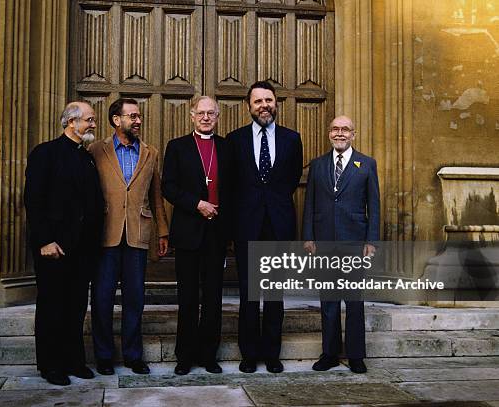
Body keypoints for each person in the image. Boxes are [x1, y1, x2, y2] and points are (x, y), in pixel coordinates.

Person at [24, 101, 104, 386]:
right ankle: (50, 365)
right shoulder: (45, 153)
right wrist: (45, 240)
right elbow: (34, 200)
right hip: (54, 249)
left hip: (82, 250)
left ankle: (74, 360)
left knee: (75, 307)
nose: (94, 124)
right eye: (90, 120)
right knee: (52, 307)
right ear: (72, 122)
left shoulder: (86, 157)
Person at [88, 98, 169, 375]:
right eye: (132, 116)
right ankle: (104, 356)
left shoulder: (150, 153)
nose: (138, 121)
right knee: (102, 298)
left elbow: (156, 195)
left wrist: (163, 230)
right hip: (104, 235)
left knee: (135, 299)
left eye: (139, 116)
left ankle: (134, 356)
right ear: (116, 120)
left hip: (138, 234)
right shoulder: (96, 150)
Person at [227, 81, 303, 373]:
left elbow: (292, 178)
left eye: (268, 100)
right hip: (247, 225)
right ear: (249, 106)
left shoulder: (291, 139)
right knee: (248, 294)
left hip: (279, 225)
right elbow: (232, 185)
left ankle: (272, 353)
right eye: (257, 101)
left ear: (276, 103)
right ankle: (248, 354)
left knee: (274, 294)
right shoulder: (235, 140)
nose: (264, 106)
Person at [302, 115, 380, 374]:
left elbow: (374, 205)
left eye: (345, 129)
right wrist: (309, 236)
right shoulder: (318, 164)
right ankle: (330, 354)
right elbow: (309, 204)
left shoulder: (367, 165)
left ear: (353, 134)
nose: (340, 133)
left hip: (354, 242)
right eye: (335, 129)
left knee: (354, 301)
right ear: (329, 134)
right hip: (324, 242)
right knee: (329, 301)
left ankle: (356, 355)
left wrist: (371, 241)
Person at [161, 96, 233, 375]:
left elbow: (235, 189)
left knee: (213, 298)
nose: (205, 117)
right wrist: (197, 204)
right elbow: (168, 186)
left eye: (211, 113)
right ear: (191, 116)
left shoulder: (227, 147)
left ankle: (208, 354)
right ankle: (185, 356)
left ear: (217, 116)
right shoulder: (177, 147)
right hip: (189, 232)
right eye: (200, 113)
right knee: (188, 297)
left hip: (216, 233)